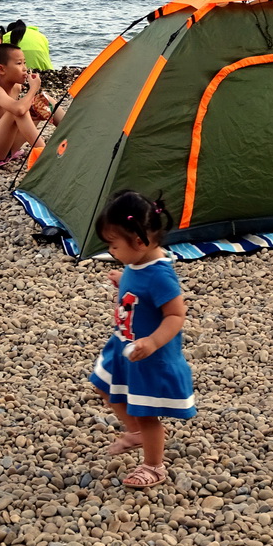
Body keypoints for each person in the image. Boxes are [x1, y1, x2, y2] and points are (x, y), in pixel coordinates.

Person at [89, 190, 196, 489]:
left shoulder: (160, 276)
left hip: (150, 355)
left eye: (113, 245)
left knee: (146, 413)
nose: (111, 251)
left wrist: (153, 342)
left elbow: (176, 315)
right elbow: (138, 290)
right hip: (124, 345)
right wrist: (124, 281)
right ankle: (134, 433)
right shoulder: (136, 263)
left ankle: (154, 465)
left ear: (139, 241)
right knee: (103, 387)